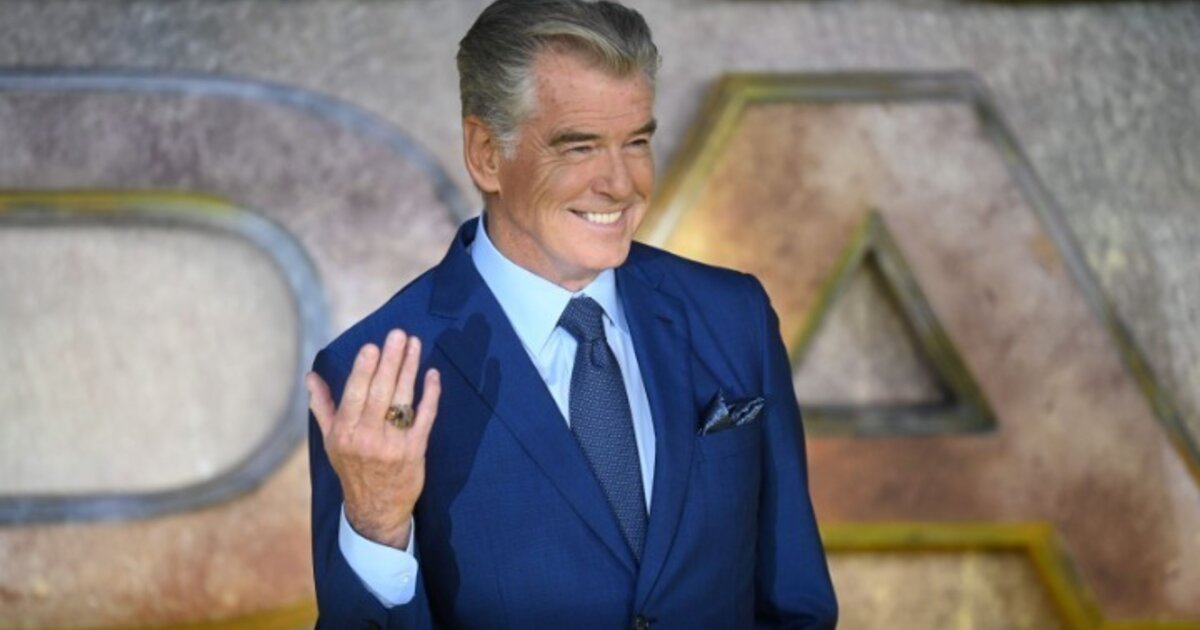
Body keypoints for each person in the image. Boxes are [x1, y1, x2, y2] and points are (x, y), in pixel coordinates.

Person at [305, 0, 837, 627]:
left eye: (636, 142)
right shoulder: (370, 379)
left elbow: (795, 602)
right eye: (580, 147)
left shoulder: (733, 316)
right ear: (486, 153)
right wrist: (377, 526)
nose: (621, 183)